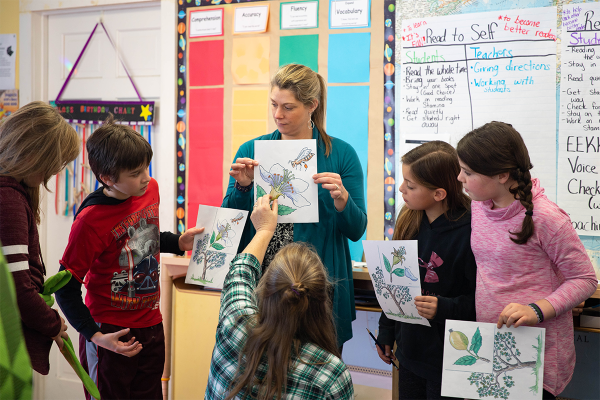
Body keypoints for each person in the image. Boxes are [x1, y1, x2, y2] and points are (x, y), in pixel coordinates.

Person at [55, 114, 202, 400]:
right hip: (110, 332)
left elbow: (143, 238)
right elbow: (65, 287)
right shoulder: (90, 220)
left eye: (146, 167)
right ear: (108, 178)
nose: (146, 177)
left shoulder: (150, 189)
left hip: (151, 325)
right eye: (135, 173)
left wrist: (178, 241)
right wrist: (95, 337)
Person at [222, 63, 367, 346]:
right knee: (263, 377)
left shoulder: (340, 154)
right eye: (274, 104)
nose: (278, 115)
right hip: (265, 287)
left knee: (318, 378)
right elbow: (230, 224)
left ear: (312, 105)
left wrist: (343, 200)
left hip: (318, 288)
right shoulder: (251, 150)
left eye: (288, 107)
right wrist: (242, 186)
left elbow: (356, 229)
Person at [456, 121, 598, 399]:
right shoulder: (478, 205)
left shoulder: (547, 218)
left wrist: (537, 309)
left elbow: (584, 279)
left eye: (468, 172)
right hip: (491, 345)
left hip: (535, 353)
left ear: (502, 175)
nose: (460, 178)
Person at [205, 195, 354, 400]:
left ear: (264, 288)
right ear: (324, 302)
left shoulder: (234, 323)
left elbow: (240, 270)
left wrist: (265, 230)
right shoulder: (331, 374)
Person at [376, 141, 477, 400]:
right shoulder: (409, 218)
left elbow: (481, 302)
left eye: (410, 186)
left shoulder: (472, 231)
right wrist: (386, 331)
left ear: (439, 194)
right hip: (409, 352)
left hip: (449, 358)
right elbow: (393, 285)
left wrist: (442, 307)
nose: (401, 189)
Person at [0, 101, 78, 375]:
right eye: (52, 164)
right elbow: (16, 290)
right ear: (34, 156)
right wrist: (53, 323)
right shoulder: (8, 200)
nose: (55, 172)